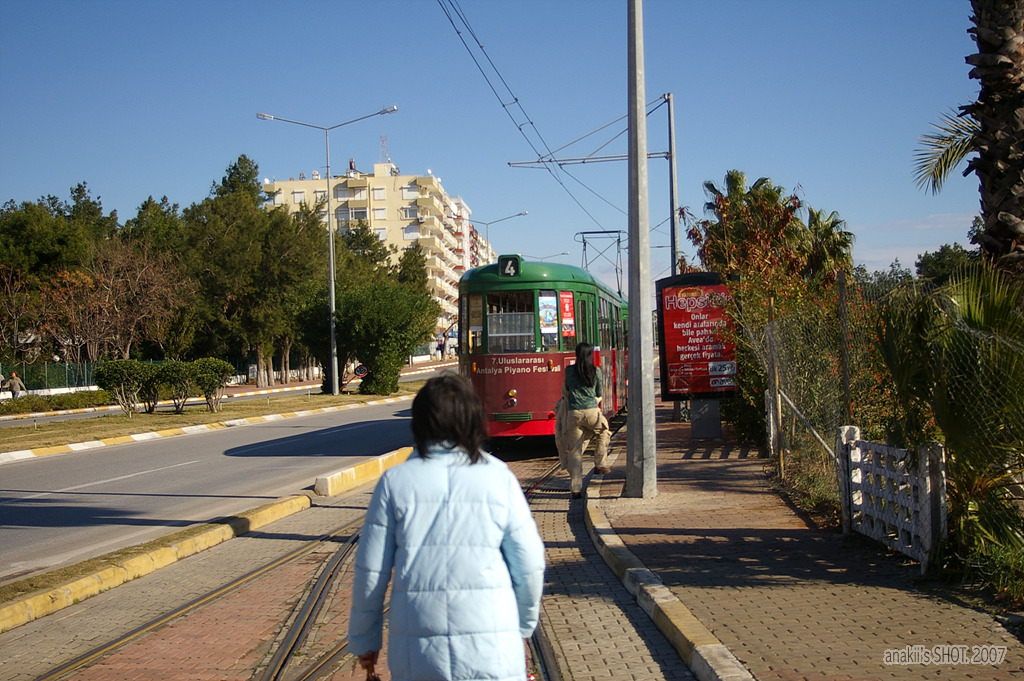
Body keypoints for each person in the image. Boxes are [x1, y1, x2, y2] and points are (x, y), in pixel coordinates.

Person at [349, 374, 546, 681]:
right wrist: (522, 625)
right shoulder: (499, 477)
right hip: (492, 652)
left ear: (419, 423)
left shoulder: (394, 483)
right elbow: (530, 564)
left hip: (419, 659)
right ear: (473, 419)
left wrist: (365, 640)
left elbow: (370, 574)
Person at [562, 342, 611, 498]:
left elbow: (566, 389)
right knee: (604, 431)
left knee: (575, 451)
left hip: (573, 414)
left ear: (577, 355)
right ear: (590, 355)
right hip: (591, 412)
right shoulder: (595, 371)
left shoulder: (569, 370)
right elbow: (599, 392)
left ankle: (575, 489)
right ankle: (600, 464)